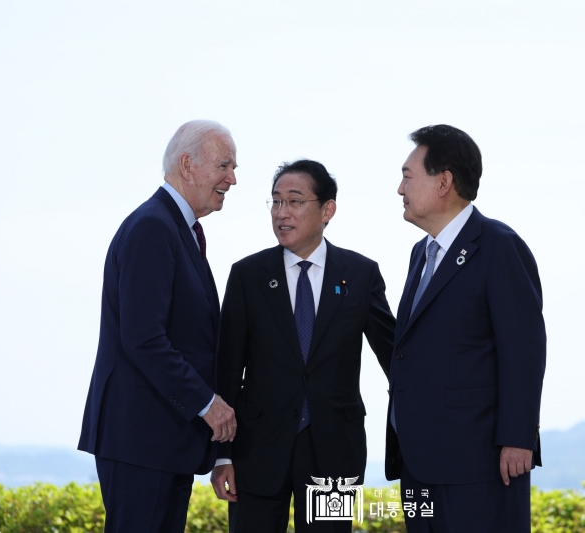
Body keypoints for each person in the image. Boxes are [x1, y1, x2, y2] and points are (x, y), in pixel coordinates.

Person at [211, 159, 396, 533]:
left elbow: (395, 355)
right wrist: (222, 455)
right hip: (257, 449)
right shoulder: (248, 275)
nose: (282, 213)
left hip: (336, 448)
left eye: (294, 201)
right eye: (275, 202)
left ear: (327, 209)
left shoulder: (361, 274)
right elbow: (227, 369)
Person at [78, 120, 238, 533]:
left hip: (163, 443)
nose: (232, 179)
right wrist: (207, 403)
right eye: (224, 165)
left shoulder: (175, 228)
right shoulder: (153, 227)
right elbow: (144, 338)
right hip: (141, 442)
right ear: (187, 165)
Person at [386, 125, 547, 532]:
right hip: (420, 462)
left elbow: (524, 349)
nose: (399, 189)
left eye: (407, 176)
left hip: (479, 461)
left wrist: (518, 437)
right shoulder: (421, 254)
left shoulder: (498, 245)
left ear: (444, 182)